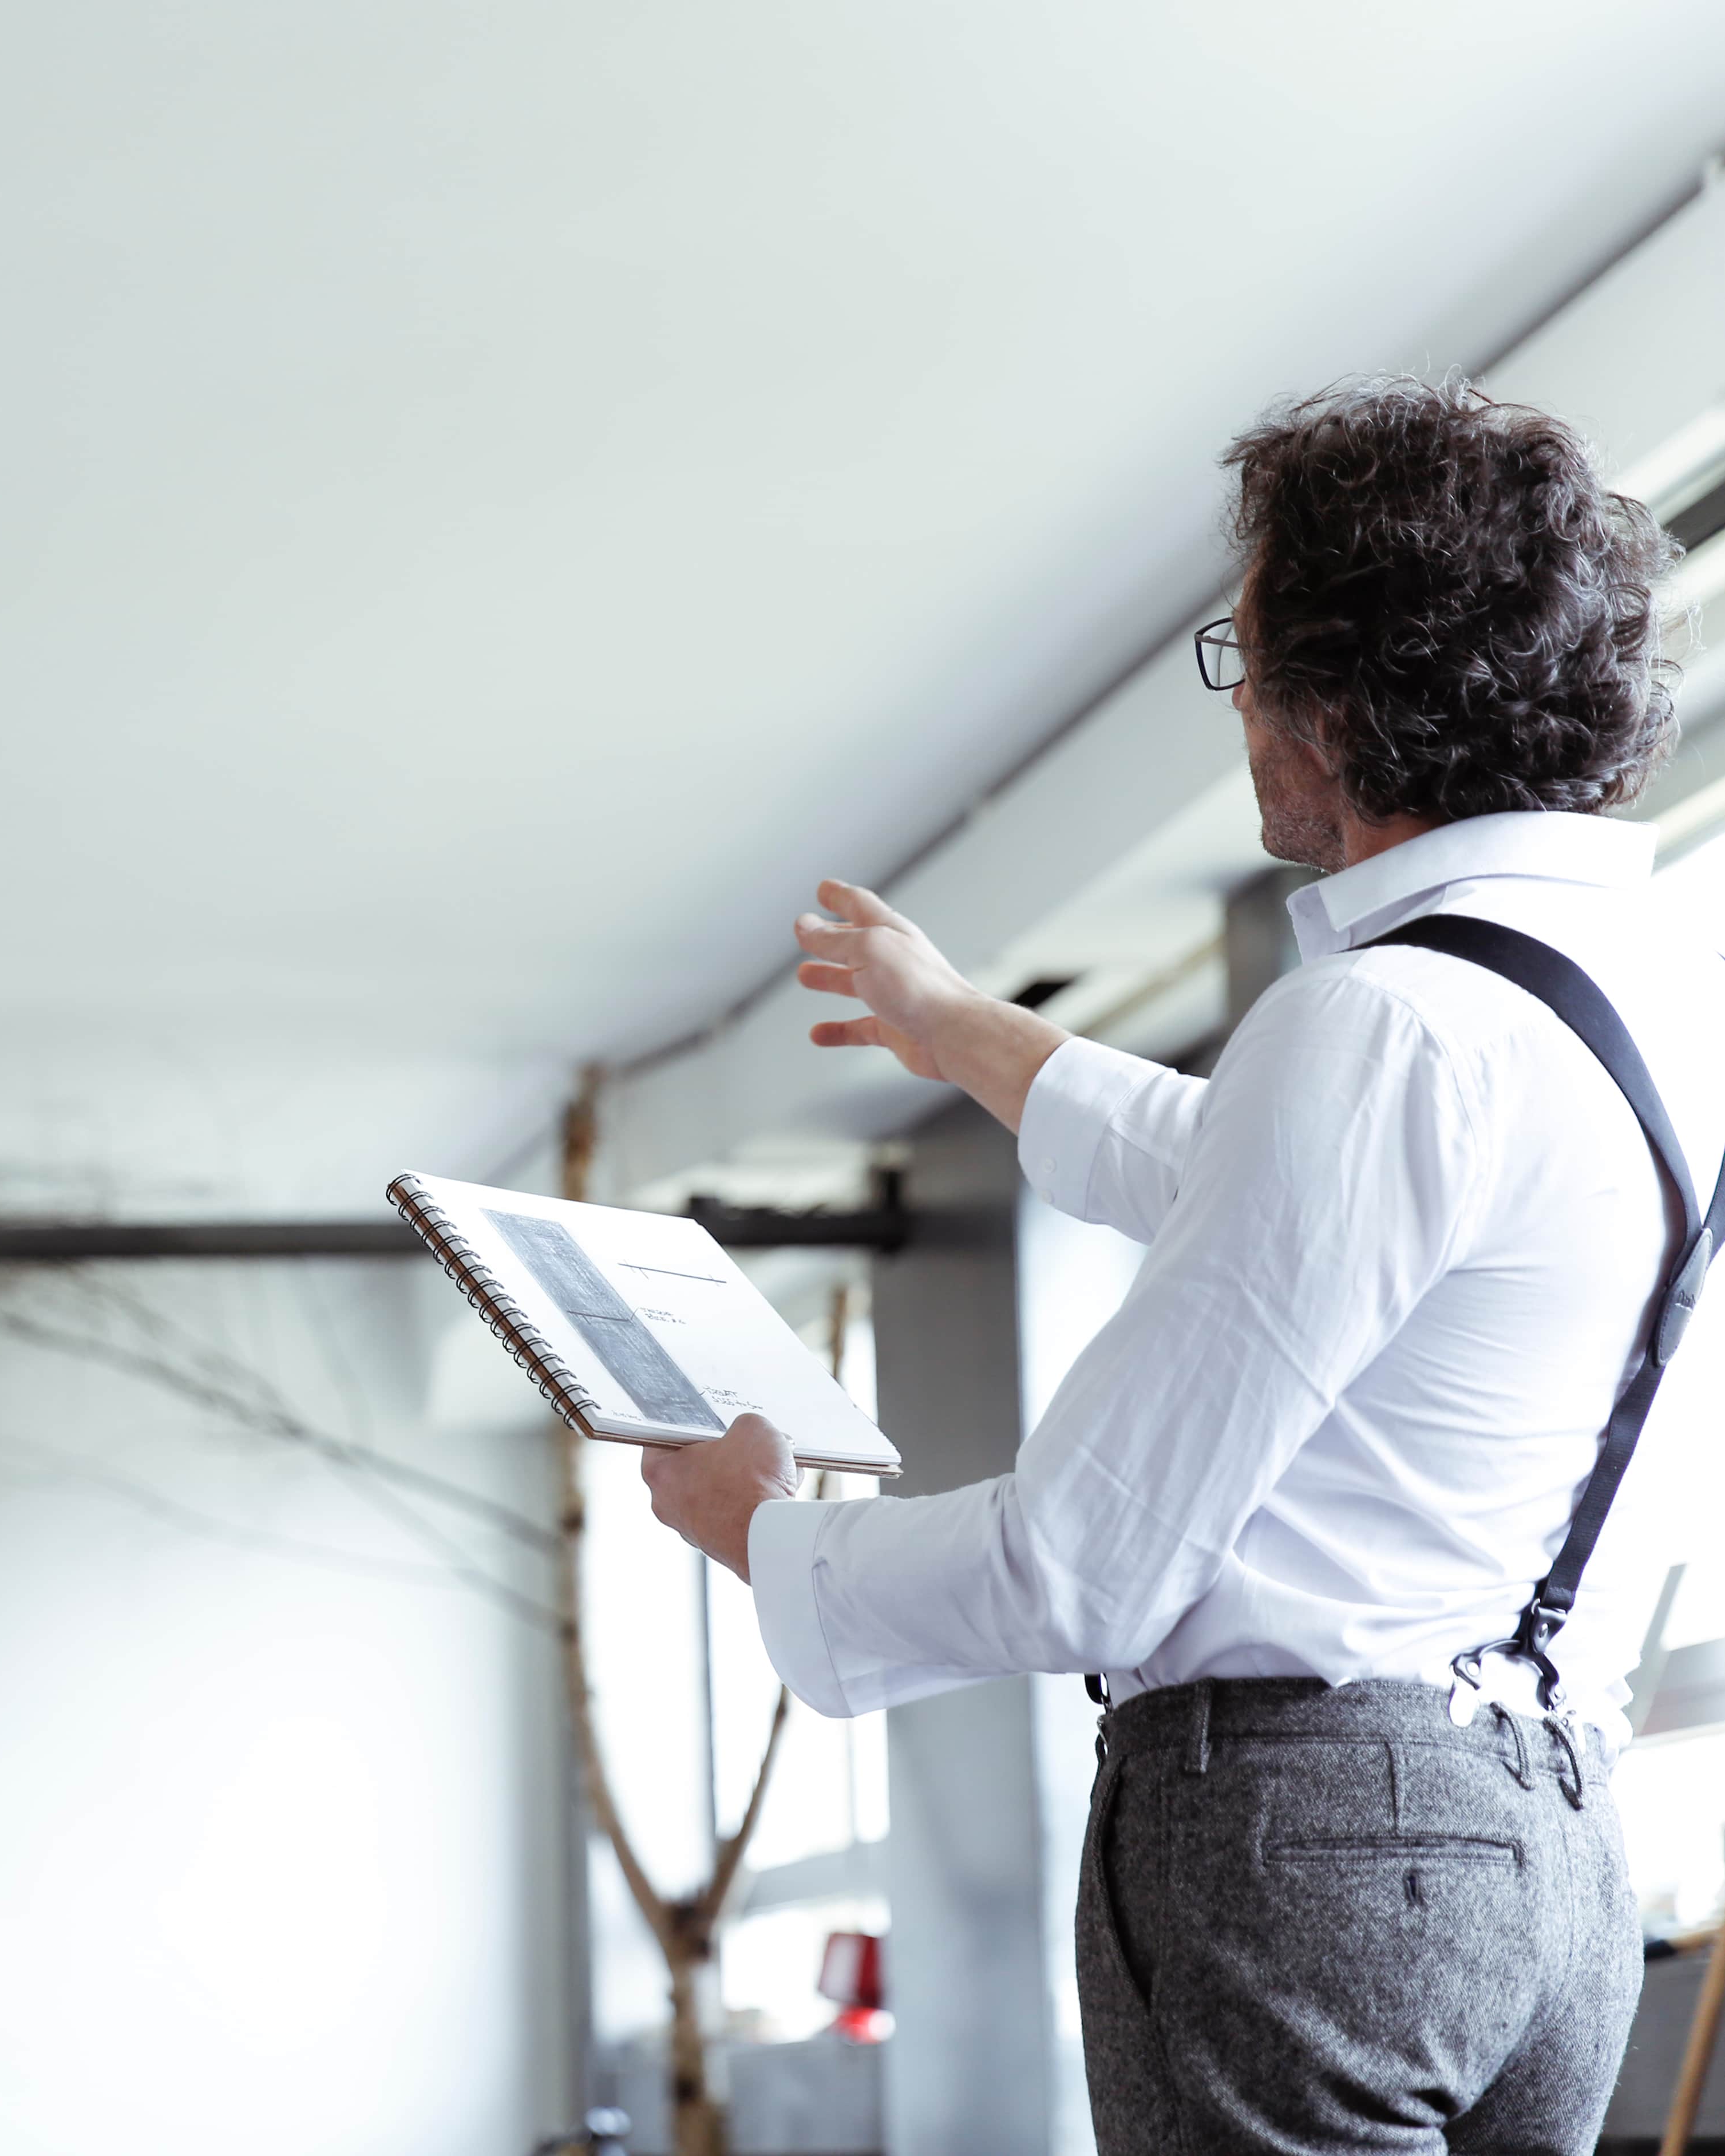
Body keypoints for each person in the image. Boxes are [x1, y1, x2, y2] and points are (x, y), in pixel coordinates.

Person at [637, 377, 1716, 2155]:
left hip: (1307, 1850)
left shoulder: (1377, 1022)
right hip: (1551, 1856)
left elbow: (1085, 1564)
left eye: (1240, 660)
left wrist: (764, 1533)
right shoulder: (1631, 1006)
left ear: (1340, 695)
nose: (1242, 716)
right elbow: (1279, 1199)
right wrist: (963, 1031)